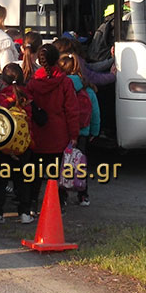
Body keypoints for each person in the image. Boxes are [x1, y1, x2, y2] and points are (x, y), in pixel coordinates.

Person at [25, 43, 80, 212]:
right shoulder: (65, 82)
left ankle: (33, 202)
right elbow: (72, 111)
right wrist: (74, 135)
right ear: (58, 59)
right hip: (59, 134)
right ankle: (59, 203)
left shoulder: (33, 83)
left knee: (35, 173)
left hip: (38, 134)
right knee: (58, 173)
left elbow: (27, 108)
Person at [0, 63, 36, 224]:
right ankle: (24, 213)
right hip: (24, 146)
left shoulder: (1, 96)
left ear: (3, 79)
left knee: (1, 180)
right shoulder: (27, 96)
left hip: (4, 145)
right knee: (22, 180)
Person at [56, 53, 100, 207]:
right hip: (83, 133)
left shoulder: (59, 88)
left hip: (64, 133)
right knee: (80, 164)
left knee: (63, 165)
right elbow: (95, 112)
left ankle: (62, 196)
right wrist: (94, 131)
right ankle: (83, 194)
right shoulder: (87, 89)